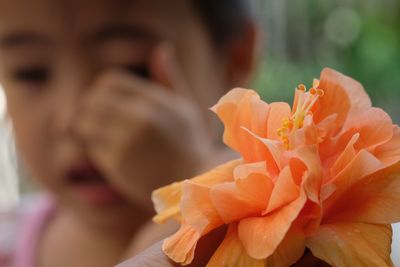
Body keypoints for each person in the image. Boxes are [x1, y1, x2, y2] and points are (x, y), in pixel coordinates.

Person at [0, 0, 257, 266]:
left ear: (235, 59)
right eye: (30, 73)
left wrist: (201, 188)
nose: (73, 120)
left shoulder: (283, 237)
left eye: (130, 67)